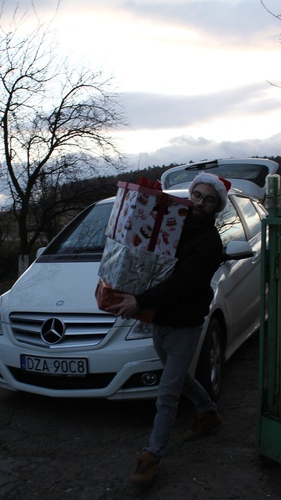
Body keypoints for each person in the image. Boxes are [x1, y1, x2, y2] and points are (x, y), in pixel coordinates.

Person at [107, 172, 231, 488]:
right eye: (198, 195)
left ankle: (150, 457)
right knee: (180, 377)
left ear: (216, 207)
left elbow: (183, 283)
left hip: (185, 324)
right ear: (191, 195)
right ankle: (208, 413)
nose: (200, 202)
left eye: (208, 200)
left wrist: (140, 300)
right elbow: (149, 257)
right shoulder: (174, 225)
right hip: (160, 318)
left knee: (167, 393)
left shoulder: (209, 242)